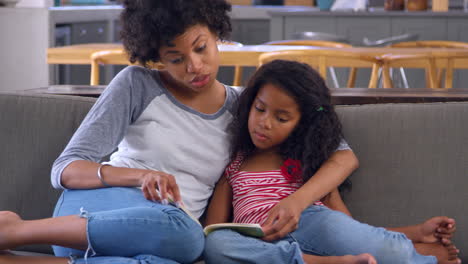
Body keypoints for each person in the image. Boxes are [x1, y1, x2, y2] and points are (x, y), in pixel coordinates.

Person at [0, 1, 360, 264]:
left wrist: (297, 201)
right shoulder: (137, 85)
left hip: (159, 240)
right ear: (156, 57)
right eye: (175, 58)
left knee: (176, 252)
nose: (194, 66)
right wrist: (141, 176)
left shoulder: (248, 107)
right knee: (187, 239)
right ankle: (17, 231)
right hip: (93, 216)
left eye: (201, 48)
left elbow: (342, 156)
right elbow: (64, 169)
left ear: (216, 33)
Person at [203, 59, 461, 264]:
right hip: (264, 244)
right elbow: (213, 229)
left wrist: (411, 232)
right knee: (218, 244)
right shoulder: (235, 167)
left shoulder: (308, 165)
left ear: (301, 125)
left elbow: (349, 229)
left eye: (281, 119)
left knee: (341, 233)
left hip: (312, 226)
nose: (264, 122)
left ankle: (420, 252)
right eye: (260, 109)